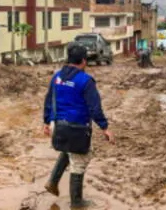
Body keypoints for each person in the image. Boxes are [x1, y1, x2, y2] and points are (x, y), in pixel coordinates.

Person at [43, 42, 114, 209]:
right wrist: (105, 128)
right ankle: (76, 203)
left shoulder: (57, 77)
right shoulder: (86, 80)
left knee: (70, 150)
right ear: (84, 61)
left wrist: (46, 122)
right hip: (77, 128)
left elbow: (48, 100)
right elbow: (94, 108)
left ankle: (53, 181)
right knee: (81, 159)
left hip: (57, 125)